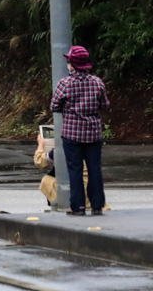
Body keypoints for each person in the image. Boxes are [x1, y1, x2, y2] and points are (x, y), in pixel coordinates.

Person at [50, 45, 110, 216]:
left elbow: (54, 106)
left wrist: (69, 109)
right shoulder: (97, 82)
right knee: (94, 168)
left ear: (72, 64)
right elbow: (104, 104)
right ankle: (97, 205)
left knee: (75, 169)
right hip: (93, 132)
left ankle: (78, 207)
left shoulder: (65, 83)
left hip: (72, 133)